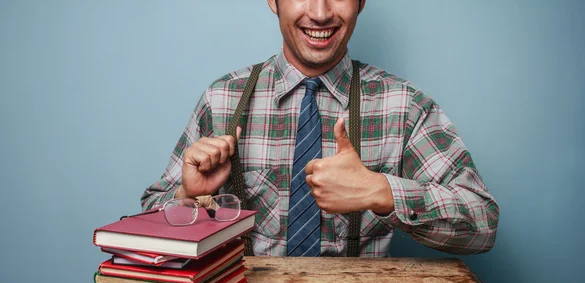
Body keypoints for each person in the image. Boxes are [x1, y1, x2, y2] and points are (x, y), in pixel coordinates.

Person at [141, 0, 499, 257]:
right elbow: (147, 224)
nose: (320, 12)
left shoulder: (402, 105)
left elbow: (482, 224)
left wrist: (382, 191)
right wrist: (192, 200)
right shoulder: (223, 100)